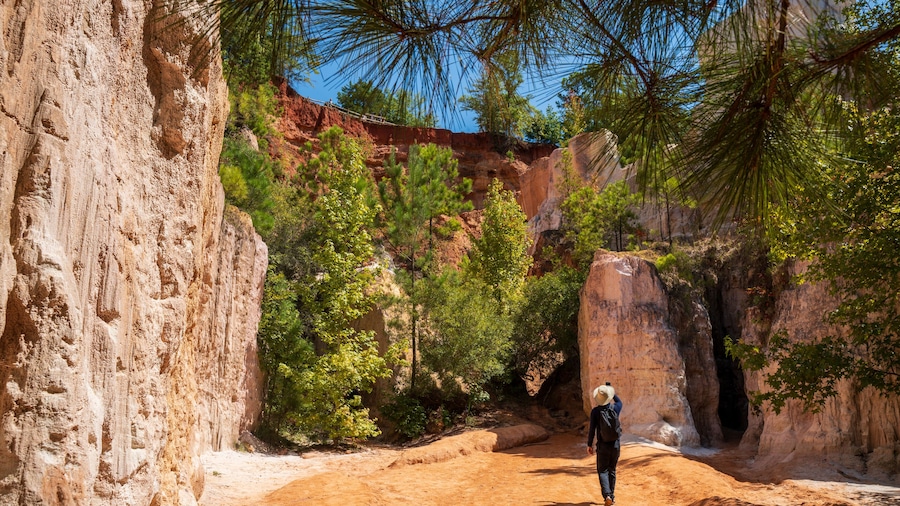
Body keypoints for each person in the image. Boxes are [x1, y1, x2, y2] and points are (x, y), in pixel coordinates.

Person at [586, 383, 622, 506]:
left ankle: (607, 495)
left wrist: (589, 444)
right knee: (612, 470)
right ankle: (611, 496)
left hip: (603, 446)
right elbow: (618, 401)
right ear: (609, 397)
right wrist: (611, 390)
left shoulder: (595, 412)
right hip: (615, 445)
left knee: (603, 470)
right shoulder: (615, 408)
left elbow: (592, 430)